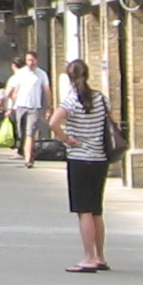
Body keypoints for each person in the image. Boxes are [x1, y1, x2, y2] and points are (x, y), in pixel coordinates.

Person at [53, 56, 114, 271]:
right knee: (96, 210)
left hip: (79, 158)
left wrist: (66, 138)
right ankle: (100, 256)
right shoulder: (101, 98)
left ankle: (88, 257)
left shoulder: (71, 100)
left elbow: (53, 121)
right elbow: (108, 119)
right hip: (100, 158)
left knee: (84, 210)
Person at [11, 51, 51, 166]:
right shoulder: (21, 73)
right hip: (20, 106)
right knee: (21, 132)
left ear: (36, 61)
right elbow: (14, 90)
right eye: (28, 60)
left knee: (30, 133)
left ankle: (28, 159)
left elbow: (47, 90)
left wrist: (48, 107)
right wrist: (12, 102)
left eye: (33, 60)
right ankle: (24, 152)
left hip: (34, 107)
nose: (31, 63)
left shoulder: (42, 74)